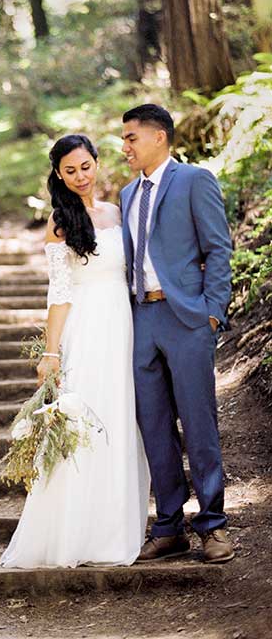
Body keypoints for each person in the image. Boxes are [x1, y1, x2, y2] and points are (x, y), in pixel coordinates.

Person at [0, 134, 150, 569]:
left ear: (96, 164)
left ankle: (116, 530)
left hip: (124, 326)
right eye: (70, 170)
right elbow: (59, 293)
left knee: (120, 420)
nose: (80, 176)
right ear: (58, 174)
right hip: (86, 328)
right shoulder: (60, 222)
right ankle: (72, 533)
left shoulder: (118, 212)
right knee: (86, 420)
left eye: (86, 166)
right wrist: (51, 354)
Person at [120, 104, 234, 563]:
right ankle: (169, 525)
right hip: (141, 321)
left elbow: (218, 247)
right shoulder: (127, 194)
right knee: (153, 424)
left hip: (186, 319)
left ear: (160, 137)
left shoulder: (194, 180)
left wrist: (212, 314)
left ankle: (213, 525)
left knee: (198, 420)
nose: (124, 147)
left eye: (131, 138)